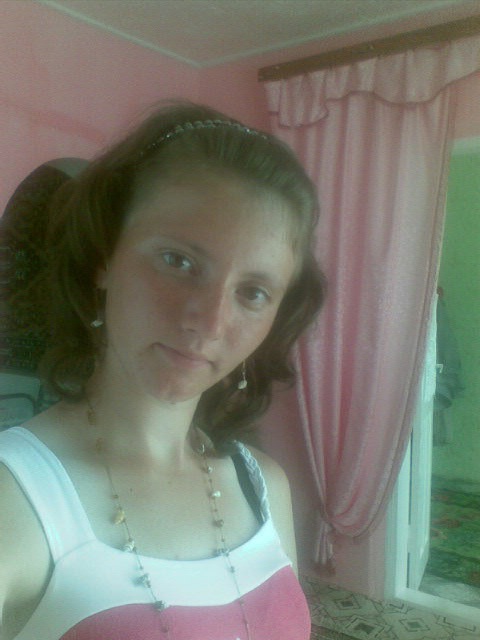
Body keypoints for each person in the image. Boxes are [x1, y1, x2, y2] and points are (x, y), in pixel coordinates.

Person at [0, 101, 325, 640]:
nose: (210, 322)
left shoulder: (264, 485)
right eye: (178, 261)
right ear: (105, 257)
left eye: (252, 292)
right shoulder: (14, 498)